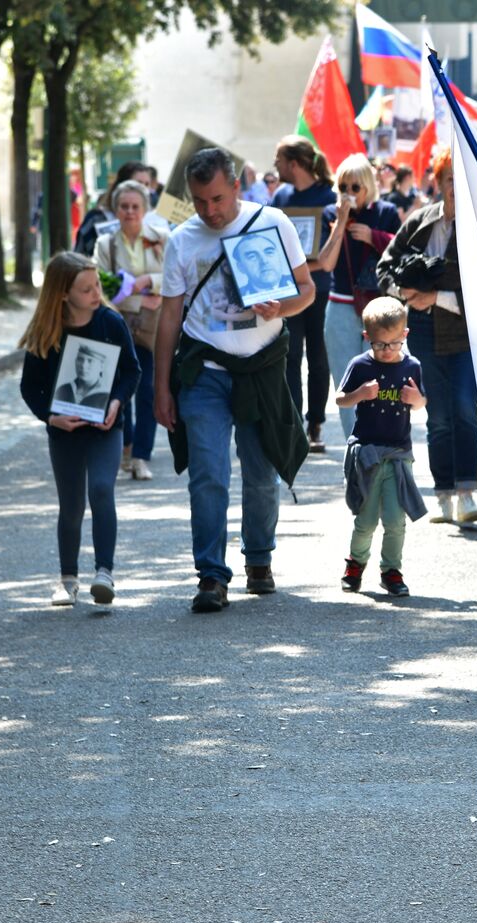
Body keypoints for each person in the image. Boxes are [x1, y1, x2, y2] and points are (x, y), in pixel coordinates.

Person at [152, 147, 315, 612]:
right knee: (208, 475)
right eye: (200, 202)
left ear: (237, 187)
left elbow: (307, 290)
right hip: (204, 371)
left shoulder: (273, 223)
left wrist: (280, 307)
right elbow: (169, 319)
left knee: (261, 474)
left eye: (218, 199)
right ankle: (211, 575)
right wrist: (160, 387)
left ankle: (259, 559)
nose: (210, 211)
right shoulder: (183, 239)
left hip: (260, 368)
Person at [20, 252, 140, 606]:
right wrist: (50, 417)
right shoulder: (47, 330)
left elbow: (131, 371)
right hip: (64, 430)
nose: (95, 293)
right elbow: (30, 387)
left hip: (106, 426)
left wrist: (117, 402)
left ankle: (105, 572)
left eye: (97, 285)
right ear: (62, 294)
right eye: (86, 289)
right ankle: (67, 579)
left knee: (102, 490)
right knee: (71, 506)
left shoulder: (110, 323)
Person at [377, 149, 477, 525]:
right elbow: (385, 267)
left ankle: (466, 493)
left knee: (465, 412)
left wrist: (436, 296)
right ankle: (443, 495)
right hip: (422, 333)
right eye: (450, 180)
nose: (456, 188)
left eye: (461, 181)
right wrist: (402, 293)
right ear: (439, 185)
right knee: (438, 416)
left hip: (465, 335)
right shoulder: (420, 222)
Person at [337, 297, 427, 597]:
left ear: (405, 336)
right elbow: (341, 399)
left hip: (399, 454)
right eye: (379, 345)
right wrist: (359, 394)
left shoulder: (412, 365)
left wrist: (417, 401)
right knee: (365, 519)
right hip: (367, 452)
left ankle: (391, 570)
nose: (387, 351)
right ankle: (355, 563)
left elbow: (422, 401)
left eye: (393, 344)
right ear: (367, 338)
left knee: (395, 519)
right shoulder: (360, 365)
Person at [316, 153, 401, 440]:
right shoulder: (331, 213)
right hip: (339, 305)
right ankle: (356, 448)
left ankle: (381, 444)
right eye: (343, 187)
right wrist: (340, 223)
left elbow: (402, 250)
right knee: (347, 383)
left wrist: (374, 236)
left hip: (378, 308)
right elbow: (326, 263)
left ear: (368, 186)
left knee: (383, 379)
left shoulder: (386, 211)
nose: (349, 193)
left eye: (355, 187)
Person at [94, 179, 169, 481]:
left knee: (148, 391)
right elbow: (98, 285)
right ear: (116, 209)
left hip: (152, 329)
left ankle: (141, 456)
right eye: (123, 207)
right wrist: (140, 300)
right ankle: (123, 449)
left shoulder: (163, 238)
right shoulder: (105, 244)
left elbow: (177, 276)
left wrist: (150, 281)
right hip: (118, 326)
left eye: (135, 207)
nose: (129, 212)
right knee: (119, 390)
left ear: (145, 209)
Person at [272, 135, 336, 453]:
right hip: (289, 291)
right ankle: (296, 422)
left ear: (293, 164)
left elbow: (332, 246)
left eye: (279, 161)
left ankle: (316, 425)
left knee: (318, 358)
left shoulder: (328, 196)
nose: (276, 167)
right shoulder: (280, 196)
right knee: (291, 356)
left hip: (321, 288)